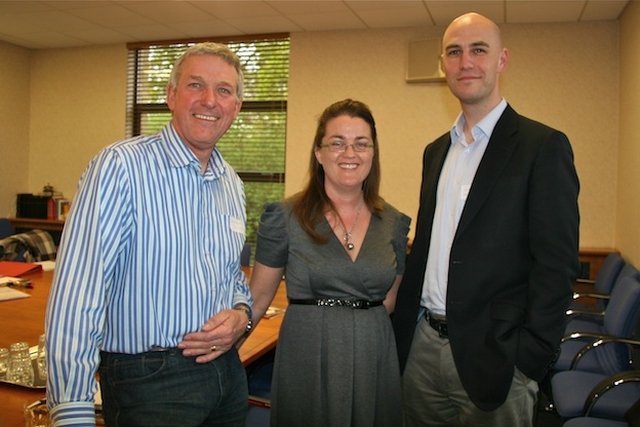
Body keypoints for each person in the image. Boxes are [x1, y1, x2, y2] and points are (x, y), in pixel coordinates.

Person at [45, 42, 253, 427]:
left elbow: (232, 278)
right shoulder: (120, 167)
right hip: (149, 381)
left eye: (224, 90)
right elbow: (79, 295)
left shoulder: (232, 185)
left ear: (236, 108)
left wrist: (243, 316)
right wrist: (71, 410)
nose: (210, 100)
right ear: (171, 95)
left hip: (227, 374)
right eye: (195, 85)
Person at [393, 12, 580, 427]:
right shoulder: (436, 151)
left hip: (498, 359)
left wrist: (528, 359)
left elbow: (558, 264)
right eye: (454, 52)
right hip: (422, 349)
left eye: (479, 50)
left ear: (502, 60)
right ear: (443, 64)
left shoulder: (542, 147)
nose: (466, 62)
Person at [247, 99, 410, 426]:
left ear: (373, 153)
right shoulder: (285, 217)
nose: (349, 153)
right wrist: (224, 352)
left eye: (361, 143)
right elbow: (258, 299)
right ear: (318, 153)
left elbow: (389, 302)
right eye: (337, 143)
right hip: (308, 355)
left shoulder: (394, 222)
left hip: (373, 356)